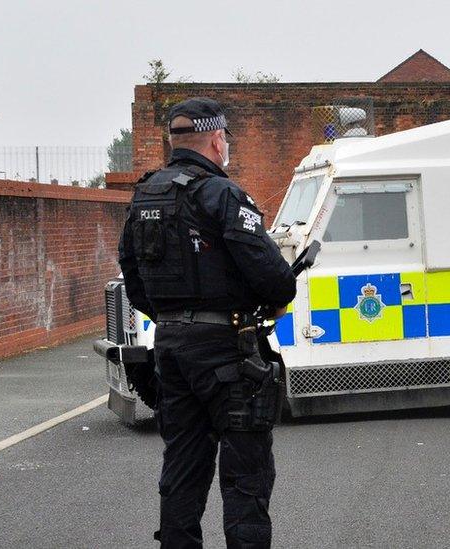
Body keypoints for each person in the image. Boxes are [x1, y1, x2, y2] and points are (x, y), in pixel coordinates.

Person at [118, 97, 296, 548]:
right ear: (218, 140)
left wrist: (175, 318)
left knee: (182, 469)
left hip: (171, 348)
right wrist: (270, 301)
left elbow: (132, 275)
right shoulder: (223, 194)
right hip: (228, 353)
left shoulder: (145, 196)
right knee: (245, 476)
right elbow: (274, 276)